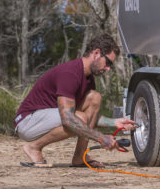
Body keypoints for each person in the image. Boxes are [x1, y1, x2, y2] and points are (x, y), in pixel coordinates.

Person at [14, 33, 137, 168]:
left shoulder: (88, 79)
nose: (108, 68)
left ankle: (80, 156)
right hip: (27, 121)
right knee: (79, 118)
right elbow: (69, 119)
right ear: (96, 53)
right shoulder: (70, 73)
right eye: (108, 62)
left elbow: (90, 119)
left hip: (47, 118)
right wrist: (101, 138)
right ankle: (33, 147)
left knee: (94, 97)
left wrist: (114, 122)